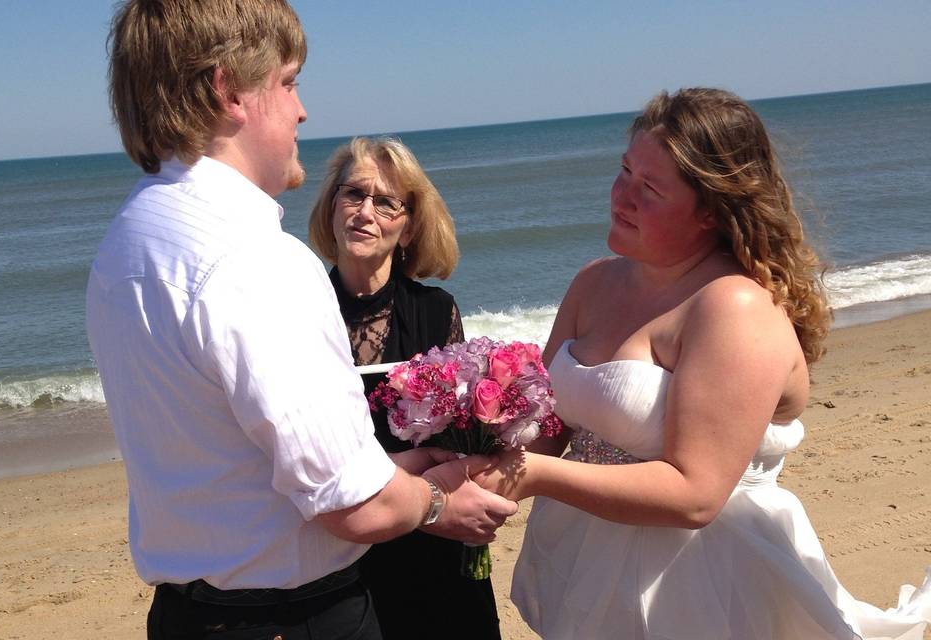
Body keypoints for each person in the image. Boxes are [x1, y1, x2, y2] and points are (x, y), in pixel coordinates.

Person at [87, 2, 516, 639]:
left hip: (186, 616)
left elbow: (245, 469)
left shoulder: (128, 240)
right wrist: (439, 500)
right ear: (228, 89)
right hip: (291, 619)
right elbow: (355, 506)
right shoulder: (257, 260)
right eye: (288, 83)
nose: (301, 109)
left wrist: (415, 462)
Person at [473, 88, 931, 639]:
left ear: (711, 210)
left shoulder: (734, 307)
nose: (622, 197)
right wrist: (463, 444)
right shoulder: (593, 283)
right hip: (588, 558)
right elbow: (545, 425)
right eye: (624, 172)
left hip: (705, 582)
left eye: (650, 188)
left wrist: (530, 476)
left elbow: (695, 494)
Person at [308, 136, 501, 639]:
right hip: (338, 556)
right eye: (353, 194)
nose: (364, 212)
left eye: (386, 202)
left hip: (430, 543)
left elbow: (458, 444)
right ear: (331, 208)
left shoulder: (438, 312)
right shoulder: (300, 313)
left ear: (409, 226)